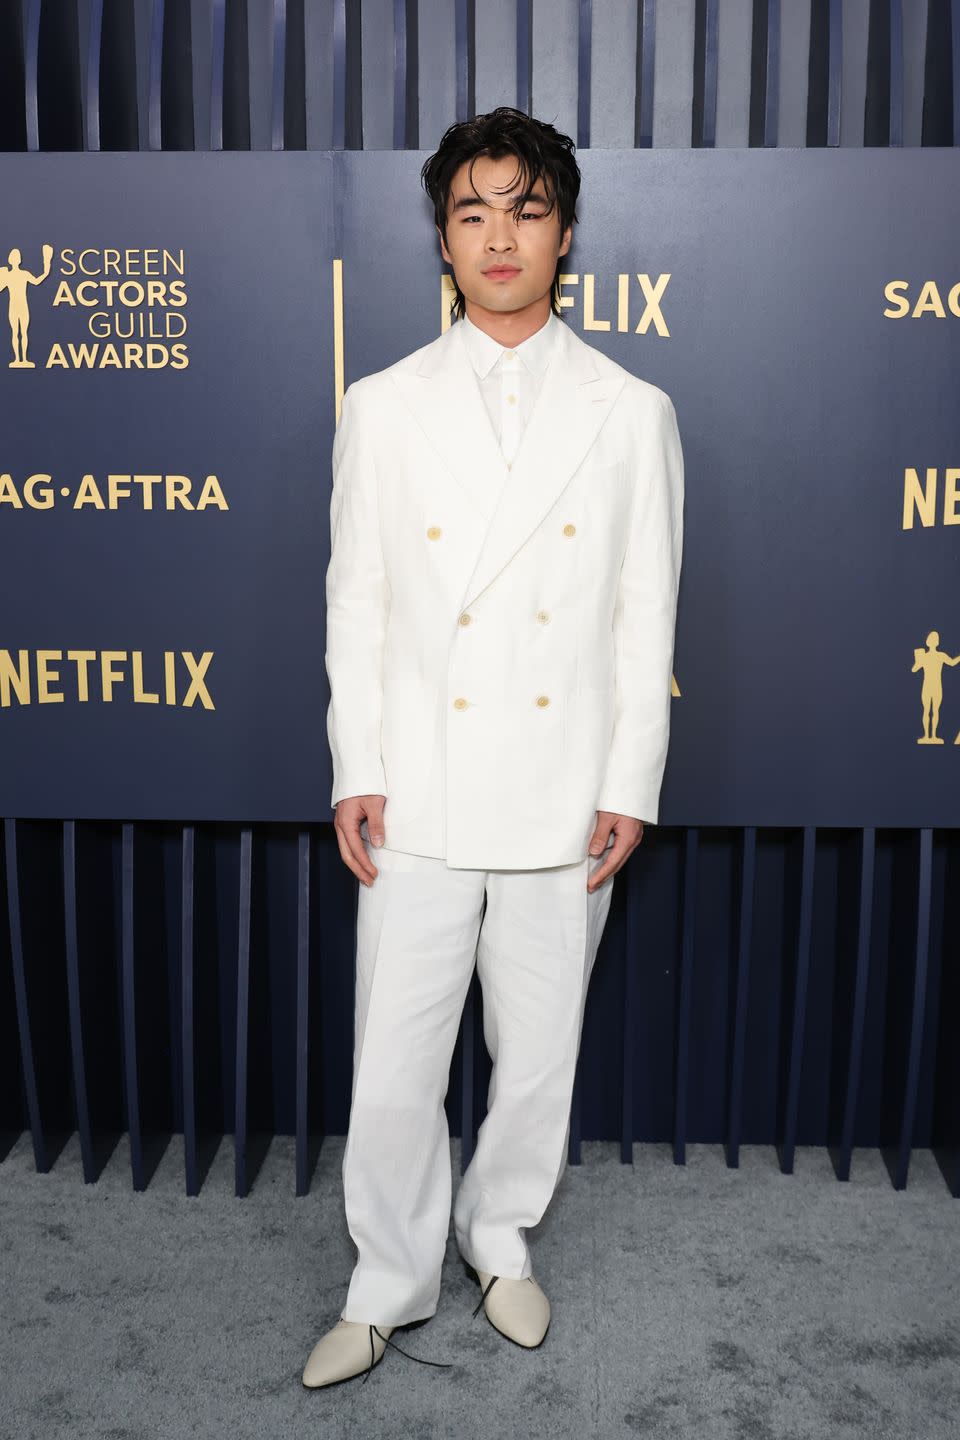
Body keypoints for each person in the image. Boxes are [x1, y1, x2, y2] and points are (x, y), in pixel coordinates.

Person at [303, 105, 684, 1389]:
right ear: (445, 242)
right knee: (398, 1055)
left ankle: (501, 1236)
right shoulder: (384, 405)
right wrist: (358, 764)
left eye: (525, 208)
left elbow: (647, 615)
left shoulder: (632, 412)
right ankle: (386, 1276)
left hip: (562, 787)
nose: (500, 235)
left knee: (540, 1053)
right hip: (419, 784)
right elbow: (355, 601)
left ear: (565, 233)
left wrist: (630, 781)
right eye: (473, 212)